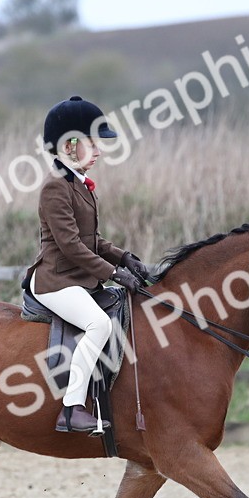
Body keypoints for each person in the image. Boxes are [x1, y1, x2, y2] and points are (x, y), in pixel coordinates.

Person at [26, 96, 154, 434]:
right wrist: (112, 274)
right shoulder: (55, 187)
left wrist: (125, 258)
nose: (98, 150)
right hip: (56, 280)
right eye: (91, 143)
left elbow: (90, 240)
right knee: (99, 324)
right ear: (69, 146)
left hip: (79, 278)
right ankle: (71, 409)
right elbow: (69, 246)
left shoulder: (77, 184)